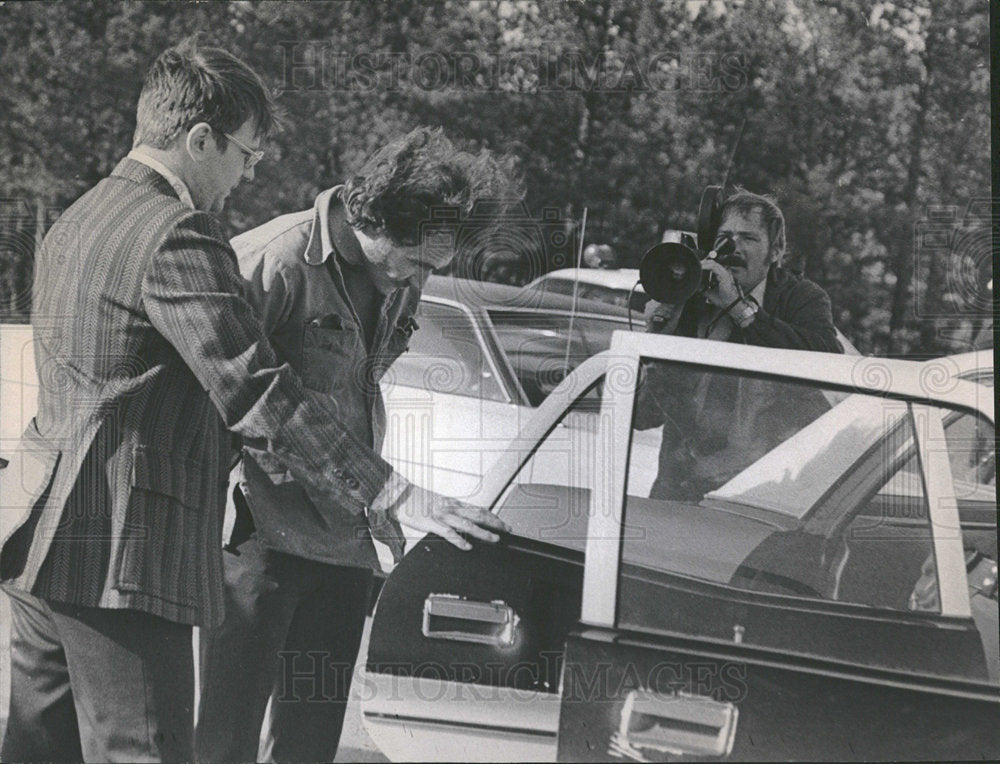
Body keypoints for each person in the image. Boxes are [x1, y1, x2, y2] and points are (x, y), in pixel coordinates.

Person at [0, 42, 506, 763]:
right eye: (246, 154)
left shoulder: (77, 217)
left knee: (38, 751)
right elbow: (257, 387)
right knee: (146, 750)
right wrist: (389, 492)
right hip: (124, 542)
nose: (248, 173)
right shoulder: (177, 231)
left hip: (41, 526)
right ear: (199, 138)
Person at [194, 127, 519, 762]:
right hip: (259, 541)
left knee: (312, 740)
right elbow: (220, 394)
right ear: (375, 218)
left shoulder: (401, 273)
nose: (423, 279)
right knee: (223, 738)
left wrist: (377, 503)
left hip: (346, 537)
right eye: (421, 262)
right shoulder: (272, 261)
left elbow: (354, 390)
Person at [636, 189, 843, 500]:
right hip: (680, 492)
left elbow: (828, 362)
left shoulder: (802, 298)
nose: (732, 247)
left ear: (776, 251)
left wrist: (740, 309)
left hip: (761, 495)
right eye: (724, 236)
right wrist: (658, 340)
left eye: (748, 238)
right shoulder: (693, 298)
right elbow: (642, 415)